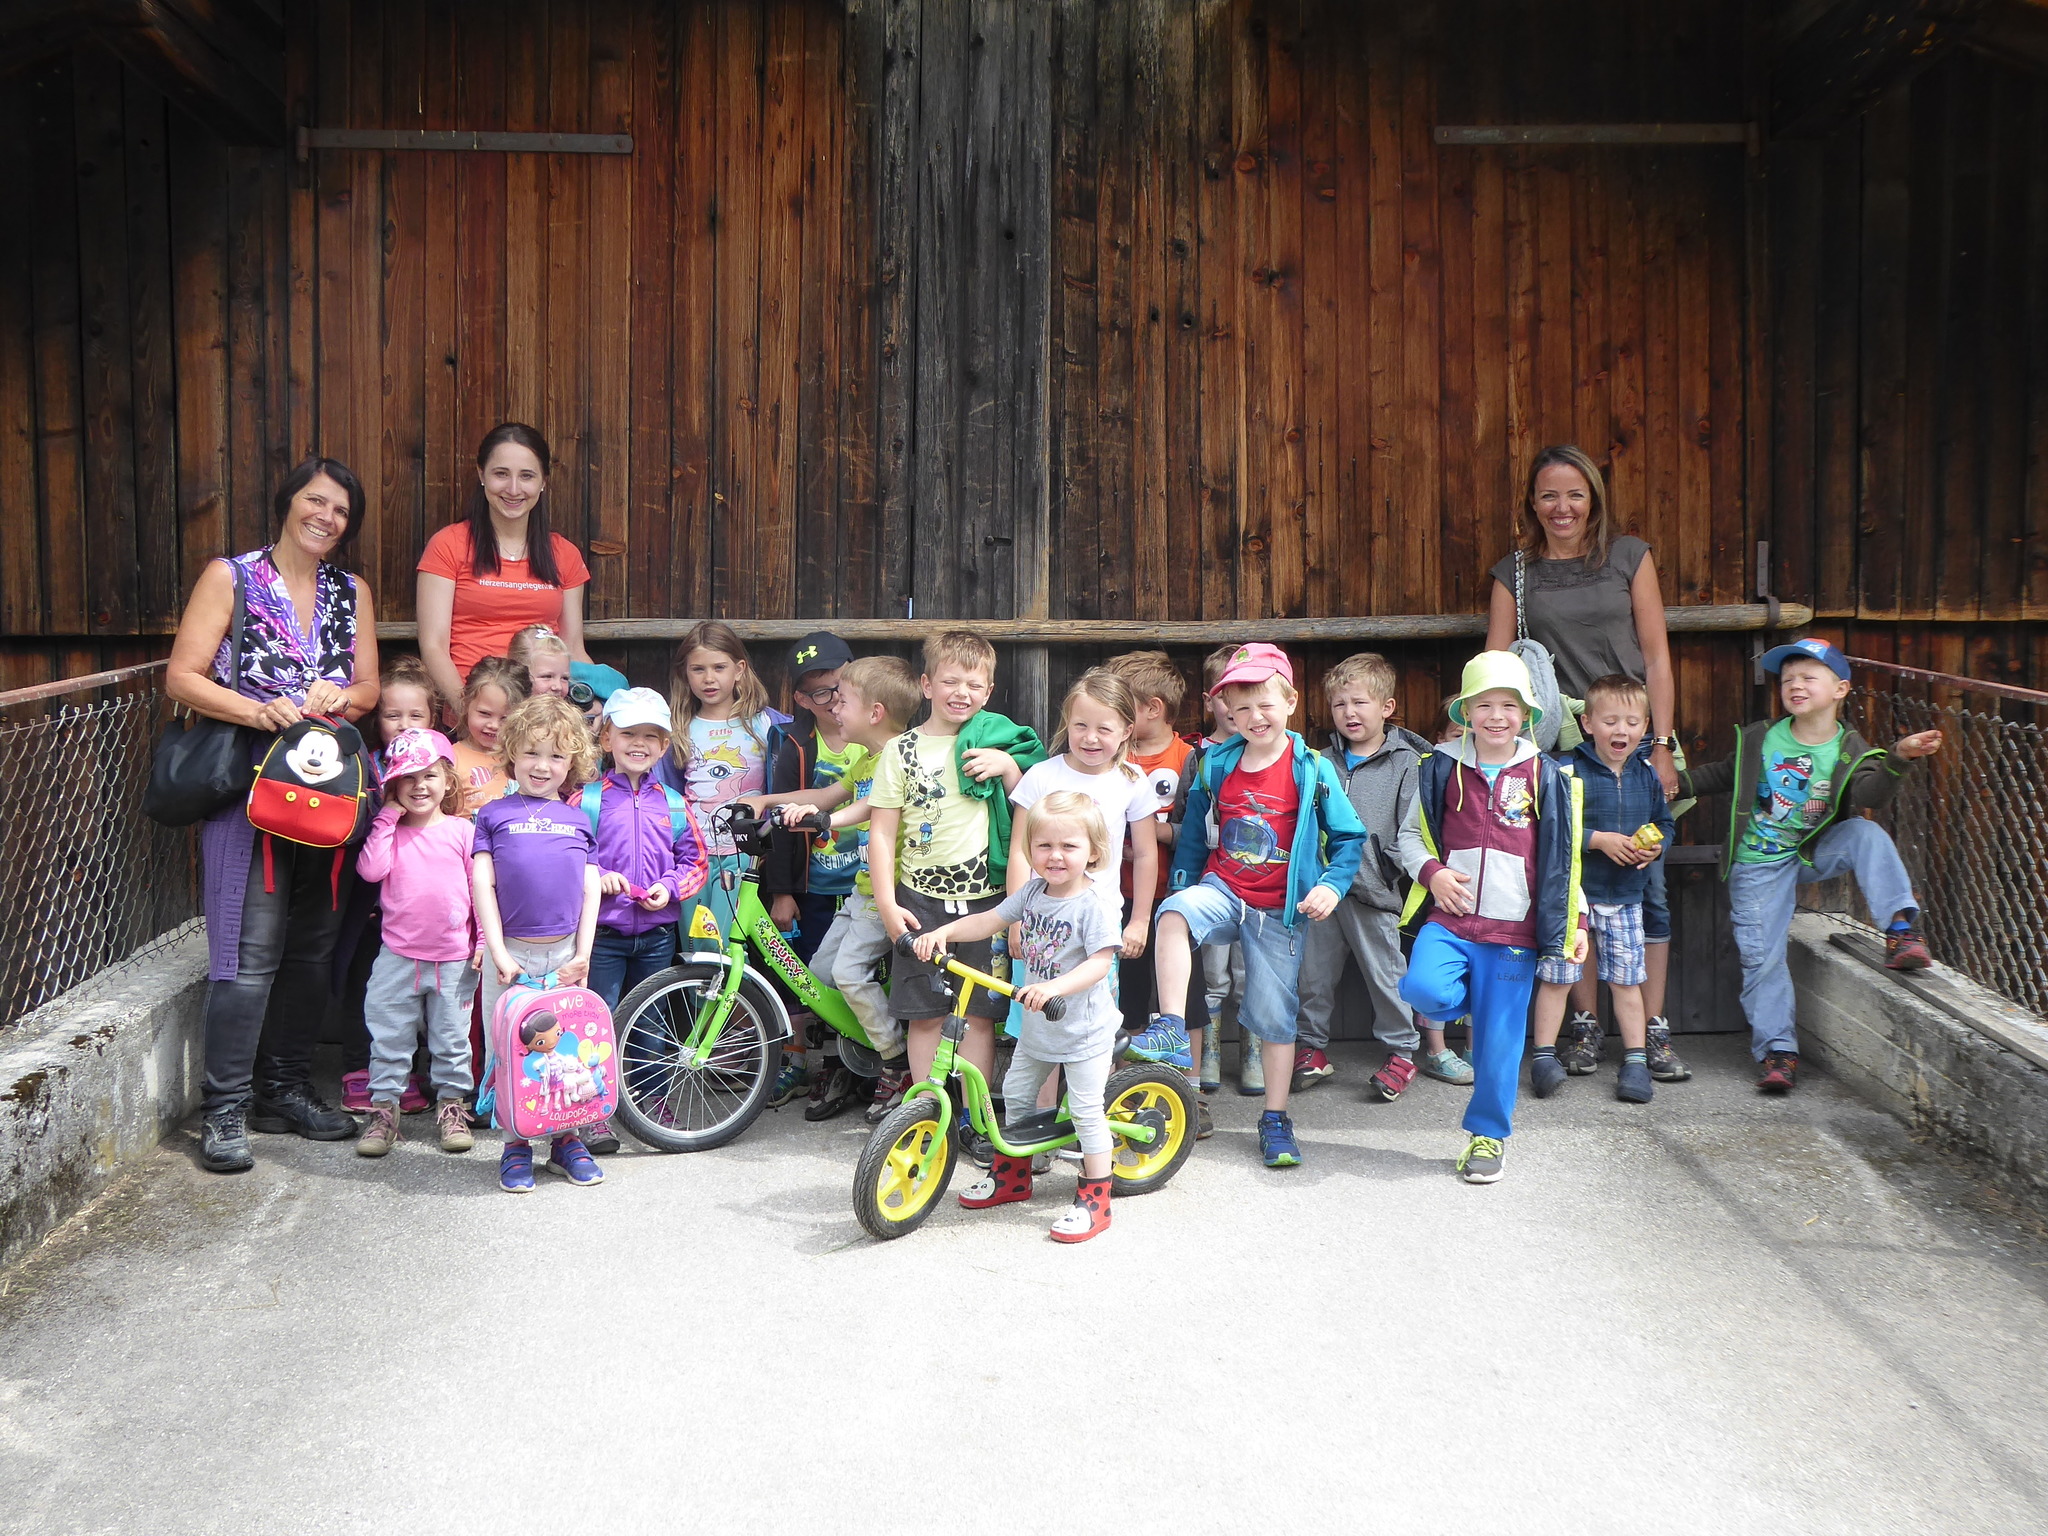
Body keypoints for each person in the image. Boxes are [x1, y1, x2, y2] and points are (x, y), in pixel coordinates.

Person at [165, 456, 380, 1174]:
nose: (327, 517)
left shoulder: (351, 591)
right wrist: (262, 708)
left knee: (313, 946)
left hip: (328, 791)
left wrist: (338, 696)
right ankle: (224, 1109)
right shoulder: (231, 576)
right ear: (288, 502)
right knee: (244, 953)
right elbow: (184, 677)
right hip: (251, 791)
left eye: (341, 511)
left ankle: (281, 1091)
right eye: (316, 502)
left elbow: (370, 685)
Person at [1484, 445, 1688, 1082]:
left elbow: (1655, 657)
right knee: (1575, 888)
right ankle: (1585, 1025)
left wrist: (1660, 741)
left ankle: (1650, 1031)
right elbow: (1497, 670)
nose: (1562, 507)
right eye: (1548, 495)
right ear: (1531, 504)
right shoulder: (1513, 573)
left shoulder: (1629, 556)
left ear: (1593, 497)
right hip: (1558, 748)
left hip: (1630, 735)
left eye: (1575, 494)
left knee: (1645, 886)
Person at [1126, 644, 1367, 1169]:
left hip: (1280, 909)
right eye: (1241, 708)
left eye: (1266, 705)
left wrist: (1331, 885)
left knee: (1276, 1020)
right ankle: (1171, 1025)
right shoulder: (1217, 763)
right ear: (1227, 713)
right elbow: (1193, 832)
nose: (1254, 717)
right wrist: (1184, 882)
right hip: (1225, 888)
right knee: (1173, 914)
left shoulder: (1313, 770)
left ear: (1290, 702)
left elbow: (1349, 838)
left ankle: (1275, 1118)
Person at [1675, 638, 1943, 1094]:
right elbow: (1722, 774)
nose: (1795, 685)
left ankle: (1901, 931)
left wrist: (1897, 758)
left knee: (1865, 833)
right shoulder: (1761, 737)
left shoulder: (1849, 748)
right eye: (1788, 678)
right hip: (1757, 864)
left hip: (1811, 850)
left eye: (1808, 677)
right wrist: (1671, 784)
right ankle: (1779, 1053)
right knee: (1762, 959)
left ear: (1840, 689)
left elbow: (1869, 797)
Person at [1397, 651, 1587, 1185]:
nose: (1496, 716)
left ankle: (1488, 1136)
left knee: (1499, 1043)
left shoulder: (1547, 776)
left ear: (1527, 715)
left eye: (1509, 705)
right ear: (1465, 711)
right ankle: (1470, 1001)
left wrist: (1578, 925)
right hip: (1451, 922)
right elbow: (1408, 838)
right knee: (1423, 989)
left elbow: (1564, 860)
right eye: (1485, 704)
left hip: (1516, 932)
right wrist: (1431, 873)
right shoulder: (1436, 767)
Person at [914, 793, 1126, 1243]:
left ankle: (1096, 1199)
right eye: (1044, 846)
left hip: (1083, 1030)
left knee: (1088, 1112)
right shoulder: (1032, 892)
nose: (1055, 856)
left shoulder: (1093, 904)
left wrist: (1051, 986)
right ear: (1030, 850)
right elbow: (989, 919)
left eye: (1069, 847)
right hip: (1037, 1027)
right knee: (1015, 1093)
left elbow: (1100, 963)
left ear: (1093, 851)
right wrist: (946, 932)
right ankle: (1013, 1177)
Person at [867, 630, 1044, 1093]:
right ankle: (926, 1120)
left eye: (973, 684)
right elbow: (882, 833)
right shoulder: (900, 751)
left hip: (986, 902)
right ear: (927, 685)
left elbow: (1033, 816)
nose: (961, 693)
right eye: (950, 681)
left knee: (978, 1019)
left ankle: (975, 1120)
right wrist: (887, 905)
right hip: (919, 902)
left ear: (988, 692)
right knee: (924, 1017)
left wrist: (1009, 769)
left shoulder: (998, 744)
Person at [1292, 652, 1472, 1099]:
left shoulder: (1409, 762)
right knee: (1313, 976)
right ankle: (1311, 1049)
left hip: (1377, 892)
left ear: (1387, 707)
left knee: (1387, 976)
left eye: (1360, 703)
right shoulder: (1318, 761)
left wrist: (1385, 868)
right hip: (1323, 890)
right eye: (1339, 705)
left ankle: (1401, 1054)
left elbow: (1412, 830)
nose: (1349, 713)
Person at [470, 695, 604, 1192]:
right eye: (531, 752)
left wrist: (583, 954)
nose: (542, 765)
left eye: (555, 755)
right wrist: (498, 951)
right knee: (510, 1053)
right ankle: (515, 1142)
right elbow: (481, 883)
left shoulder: (579, 820)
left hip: (566, 955)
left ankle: (566, 1140)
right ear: (511, 753)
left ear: (572, 763)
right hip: (511, 958)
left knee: (566, 1052)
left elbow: (590, 888)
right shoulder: (492, 815)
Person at [1528, 675, 1673, 1105]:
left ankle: (1634, 1062)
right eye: (1611, 721)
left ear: (1645, 727)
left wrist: (1657, 846)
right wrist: (1599, 840)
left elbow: (1665, 823)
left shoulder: (1647, 775)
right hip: (1573, 898)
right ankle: (1543, 1057)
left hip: (1628, 897)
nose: (1621, 731)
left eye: (1632, 722)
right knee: (1558, 977)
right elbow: (1548, 826)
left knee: (1627, 982)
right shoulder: (1566, 771)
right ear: (1588, 723)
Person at [352, 729, 480, 1158]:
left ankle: (452, 1107)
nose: (419, 786)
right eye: (407, 778)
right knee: (389, 1038)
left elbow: (479, 891)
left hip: (454, 959)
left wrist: (481, 941)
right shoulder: (388, 831)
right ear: (392, 785)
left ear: (448, 780)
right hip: (398, 956)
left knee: (452, 1039)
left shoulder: (462, 832)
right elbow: (371, 872)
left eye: (429, 776)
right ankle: (385, 1111)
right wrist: (386, 818)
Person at [758, 631, 870, 1120]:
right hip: (816, 885)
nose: (833, 697)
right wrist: (782, 891)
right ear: (801, 698)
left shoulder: (879, 737)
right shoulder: (794, 741)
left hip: (866, 882)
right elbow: (782, 827)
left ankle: (849, 1063)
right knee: (806, 975)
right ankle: (803, 1059)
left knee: (858, 976)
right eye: (820, 691)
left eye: (841, 683)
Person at [416, 423, 591, 714]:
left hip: (543, 715)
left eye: (526, 476)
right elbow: (434, 646)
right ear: (481, 474)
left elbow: (573, 647)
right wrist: (469, 711)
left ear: (543, 481)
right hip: (472, 713)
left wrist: (594, 704)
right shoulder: (448, 544)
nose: (513, 489)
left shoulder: (565, 554)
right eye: (501, 474)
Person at [338, 654, 441, 1115]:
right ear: (376, 718)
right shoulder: (366, 767)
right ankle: (362, 1070)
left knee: (423, 992)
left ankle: (413, 1072)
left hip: (421, 904)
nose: (403, 725)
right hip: (371, 899)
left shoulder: (438, 770)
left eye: (415, 716)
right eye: (392, 715)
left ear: (432, 718)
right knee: (370, 987)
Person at [656, 621, 791, 968]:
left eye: (719, 668)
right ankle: (698, 1020)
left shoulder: (767, 725)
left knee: (725, 948)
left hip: (742, 855)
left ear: (740, 670)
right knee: (693, 945)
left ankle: (725, 1016)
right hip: (692, 855)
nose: (709, 678)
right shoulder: (678, 728)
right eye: (698, 669)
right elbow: (665, 792)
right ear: (685, 674)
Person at [582, 687, 708, 1011]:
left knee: (650, 1023)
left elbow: (696, 862)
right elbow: (568, 859)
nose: (639, 743)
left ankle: (649, 1065)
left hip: (658, 937)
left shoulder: (675, 804)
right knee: (600, 1016)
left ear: (664, 745)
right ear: (607, 739)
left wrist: (669, 888)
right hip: (601, 934)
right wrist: (597, 875)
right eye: (628, 733)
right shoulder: (587, 801)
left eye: (651, 736)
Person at [452, 656, 530, 815]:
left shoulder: (527, 756)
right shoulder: (451, 759)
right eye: (484, 713)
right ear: (466, 703)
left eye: (505, 718)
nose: (494, 725)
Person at [507, 623, 574, 701]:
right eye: (547, 676)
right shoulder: (499, 711)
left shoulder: (568, 713)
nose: (558, 687)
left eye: (564, 678)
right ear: (517, 675)